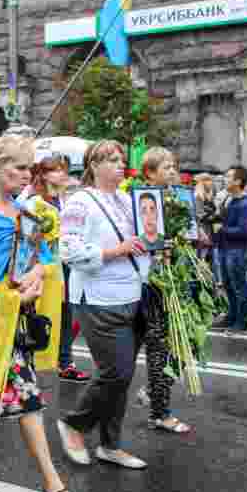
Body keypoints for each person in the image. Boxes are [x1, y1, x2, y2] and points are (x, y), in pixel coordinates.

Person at [0, 135, 92, 492]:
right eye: (16, 167)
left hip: (17, 322)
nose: (24, 175)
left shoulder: (27, 211)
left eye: (28, 169)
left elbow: (42, 258)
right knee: (28, 401)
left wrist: (35, 276)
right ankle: (55, 489)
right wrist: (17, 286)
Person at [57, 139, 150, 472]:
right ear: (93, 165)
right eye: (110, 159)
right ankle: (75, 424)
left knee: (121, 379)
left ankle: (111, 445)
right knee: (116, 373)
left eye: (121, 158)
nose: (119, 164)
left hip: (133, 296)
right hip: (98, 299)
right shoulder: (80, 201)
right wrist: (117, 250)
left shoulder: (128, 200)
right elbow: (69, 252)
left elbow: (143, 243)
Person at [134, 147, 191, 433]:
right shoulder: (139, 200)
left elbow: (185, 235)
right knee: (158, 347)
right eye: (165, 166)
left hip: (174, 279)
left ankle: (153, 391)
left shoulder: (178, 198)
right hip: (151, 283)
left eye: (173, 165)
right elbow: (141, 237)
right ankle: (160, 411)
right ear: (149, 173)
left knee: (185, 343)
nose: (172, 170)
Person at [19, 155, 87, 383]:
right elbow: (30, 239)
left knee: (67, 314)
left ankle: (64, 361)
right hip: (44, 266)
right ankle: (32, 363)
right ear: (44, 174)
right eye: (57, 170)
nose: (63, 174)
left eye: (64, 170)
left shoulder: (67, 200)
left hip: (67, 265)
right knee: (40, 314)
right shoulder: (34, 202)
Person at [211, 165, 247, 333]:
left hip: (237, 251)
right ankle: (231, 316)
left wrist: (222, 229)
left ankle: (241, 321)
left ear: (238, 181)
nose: (225, 179)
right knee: (229, 285)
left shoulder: (246, 204)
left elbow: (245, 231)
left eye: (229, 176)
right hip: (225, 248)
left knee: (239, 286)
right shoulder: (230, 199)